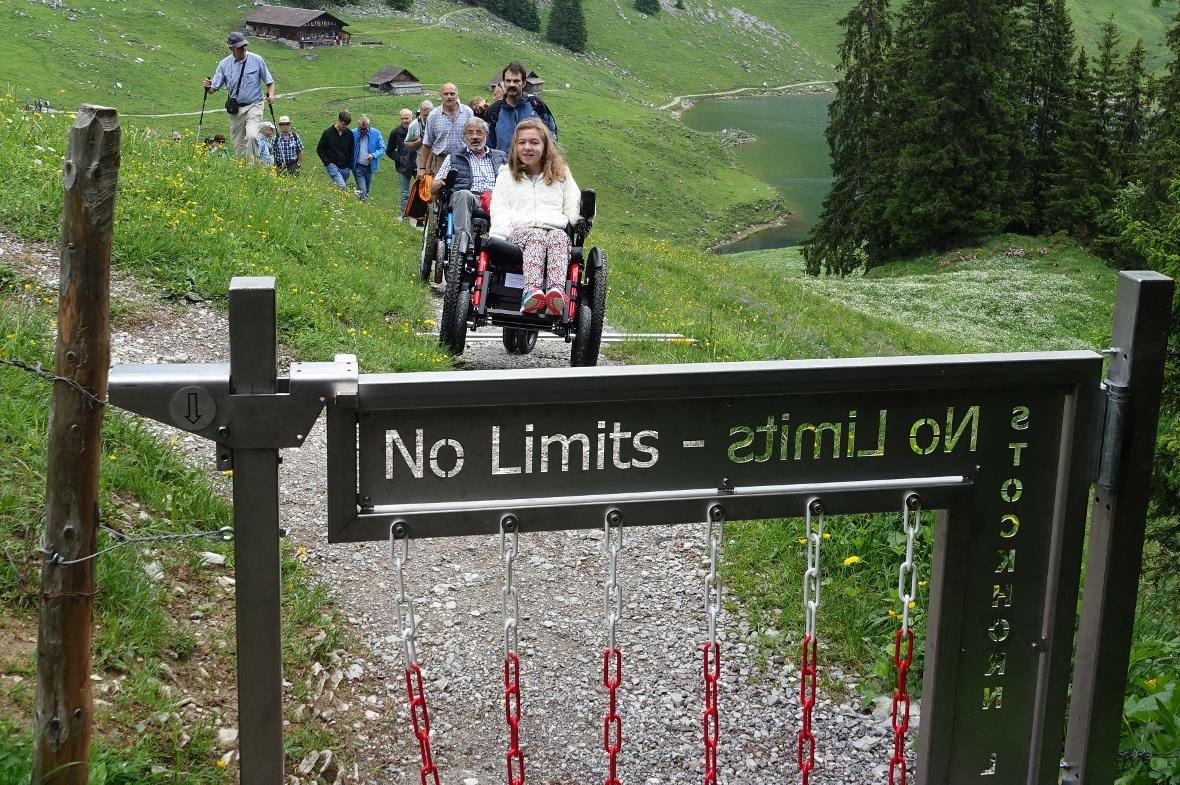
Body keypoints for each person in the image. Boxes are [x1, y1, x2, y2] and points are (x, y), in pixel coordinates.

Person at [489, 119, 581, 316]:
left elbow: (574, 204)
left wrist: (583, 217)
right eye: (522, 142)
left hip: (554, 230)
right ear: (515, 146)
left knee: (558, 237)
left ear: (545, 146)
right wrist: (497, 237)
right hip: (519, 233)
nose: (527, 148)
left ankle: (555, 294)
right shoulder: (506, 175)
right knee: (536, 237)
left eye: (534, 142)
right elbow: (499, 209)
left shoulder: (561, 173)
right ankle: (532, 292)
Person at [432, 117, 508, 248]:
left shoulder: (500, 157)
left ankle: (501, 247)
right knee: (464, 194)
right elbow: (432, 189)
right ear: (465, 136)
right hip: (467, 197)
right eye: (470, 132)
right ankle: (463, 247)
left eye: (479, 132)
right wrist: (441, 182)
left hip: (494, 198)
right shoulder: (453, 157)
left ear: (486, 135)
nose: (474, 137)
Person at [203, 31, 275, 162]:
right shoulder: (224, 65)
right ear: (231, 48)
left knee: (252, 136)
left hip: (255, 105)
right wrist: (208, 86)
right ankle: (244, 169)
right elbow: (213, 89)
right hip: (236, 110)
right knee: (238, 145)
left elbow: (270, 82)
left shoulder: (257, 60)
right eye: (239, 47)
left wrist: (271, 95)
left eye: (244, 46)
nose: (243, 49)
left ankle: (251, 167)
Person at [486, 62, 558, 154]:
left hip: (535, 166)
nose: (512, 84)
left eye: (516, 81)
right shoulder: (494, 110)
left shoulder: (536, 104)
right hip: (505, 166)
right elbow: (488, 143)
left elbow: (552, 134)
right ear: (504, 83)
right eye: (508, 81)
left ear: (523, 83)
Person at [421, 83, 474, 175]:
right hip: (440, 161)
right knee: (439, 188)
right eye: (446, 94)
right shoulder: (433, 115)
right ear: (441, 96)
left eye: (452, 94)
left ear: (458, 95)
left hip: (464, 160)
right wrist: (422, 168)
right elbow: (427, 143)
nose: (449, 97)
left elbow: (473, 137)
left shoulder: (468, 112)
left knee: (463, 188)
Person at [351, 114, 386, 201]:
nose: (363, 131)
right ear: (358, 126)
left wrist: (373, 155)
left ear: (369, 126)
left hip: (370, 168)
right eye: (361, 129)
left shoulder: (376, 133)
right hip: (358, 167)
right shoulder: (353, 133)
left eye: (365, 129)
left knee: (366, 191)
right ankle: (362, 206)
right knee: (362, 191)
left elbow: (383, 149)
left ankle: (360, 207)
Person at [317, 110, 354, 189]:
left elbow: (351, 150)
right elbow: (320, 149)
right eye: (343, 124)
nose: (344, 127)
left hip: (345, 168)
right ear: (338, 120)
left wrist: (349, 166)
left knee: (338, 189)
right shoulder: (327, 133)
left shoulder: (349, 134)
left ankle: (330, 199)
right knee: (342, 186)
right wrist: (328, 163)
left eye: (347, 125)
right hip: (332, 166)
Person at [388, 108, 416, 213]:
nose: (405, 120)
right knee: (405, 193)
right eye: (403, 118)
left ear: (412, 117)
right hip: (403, 167)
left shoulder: (418, 130)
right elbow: (389, 150)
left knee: (421, 191)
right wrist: (400, 159)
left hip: (418, 165)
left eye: (407, 118)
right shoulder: (395, 132)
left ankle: (420, 218)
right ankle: (405, 217)